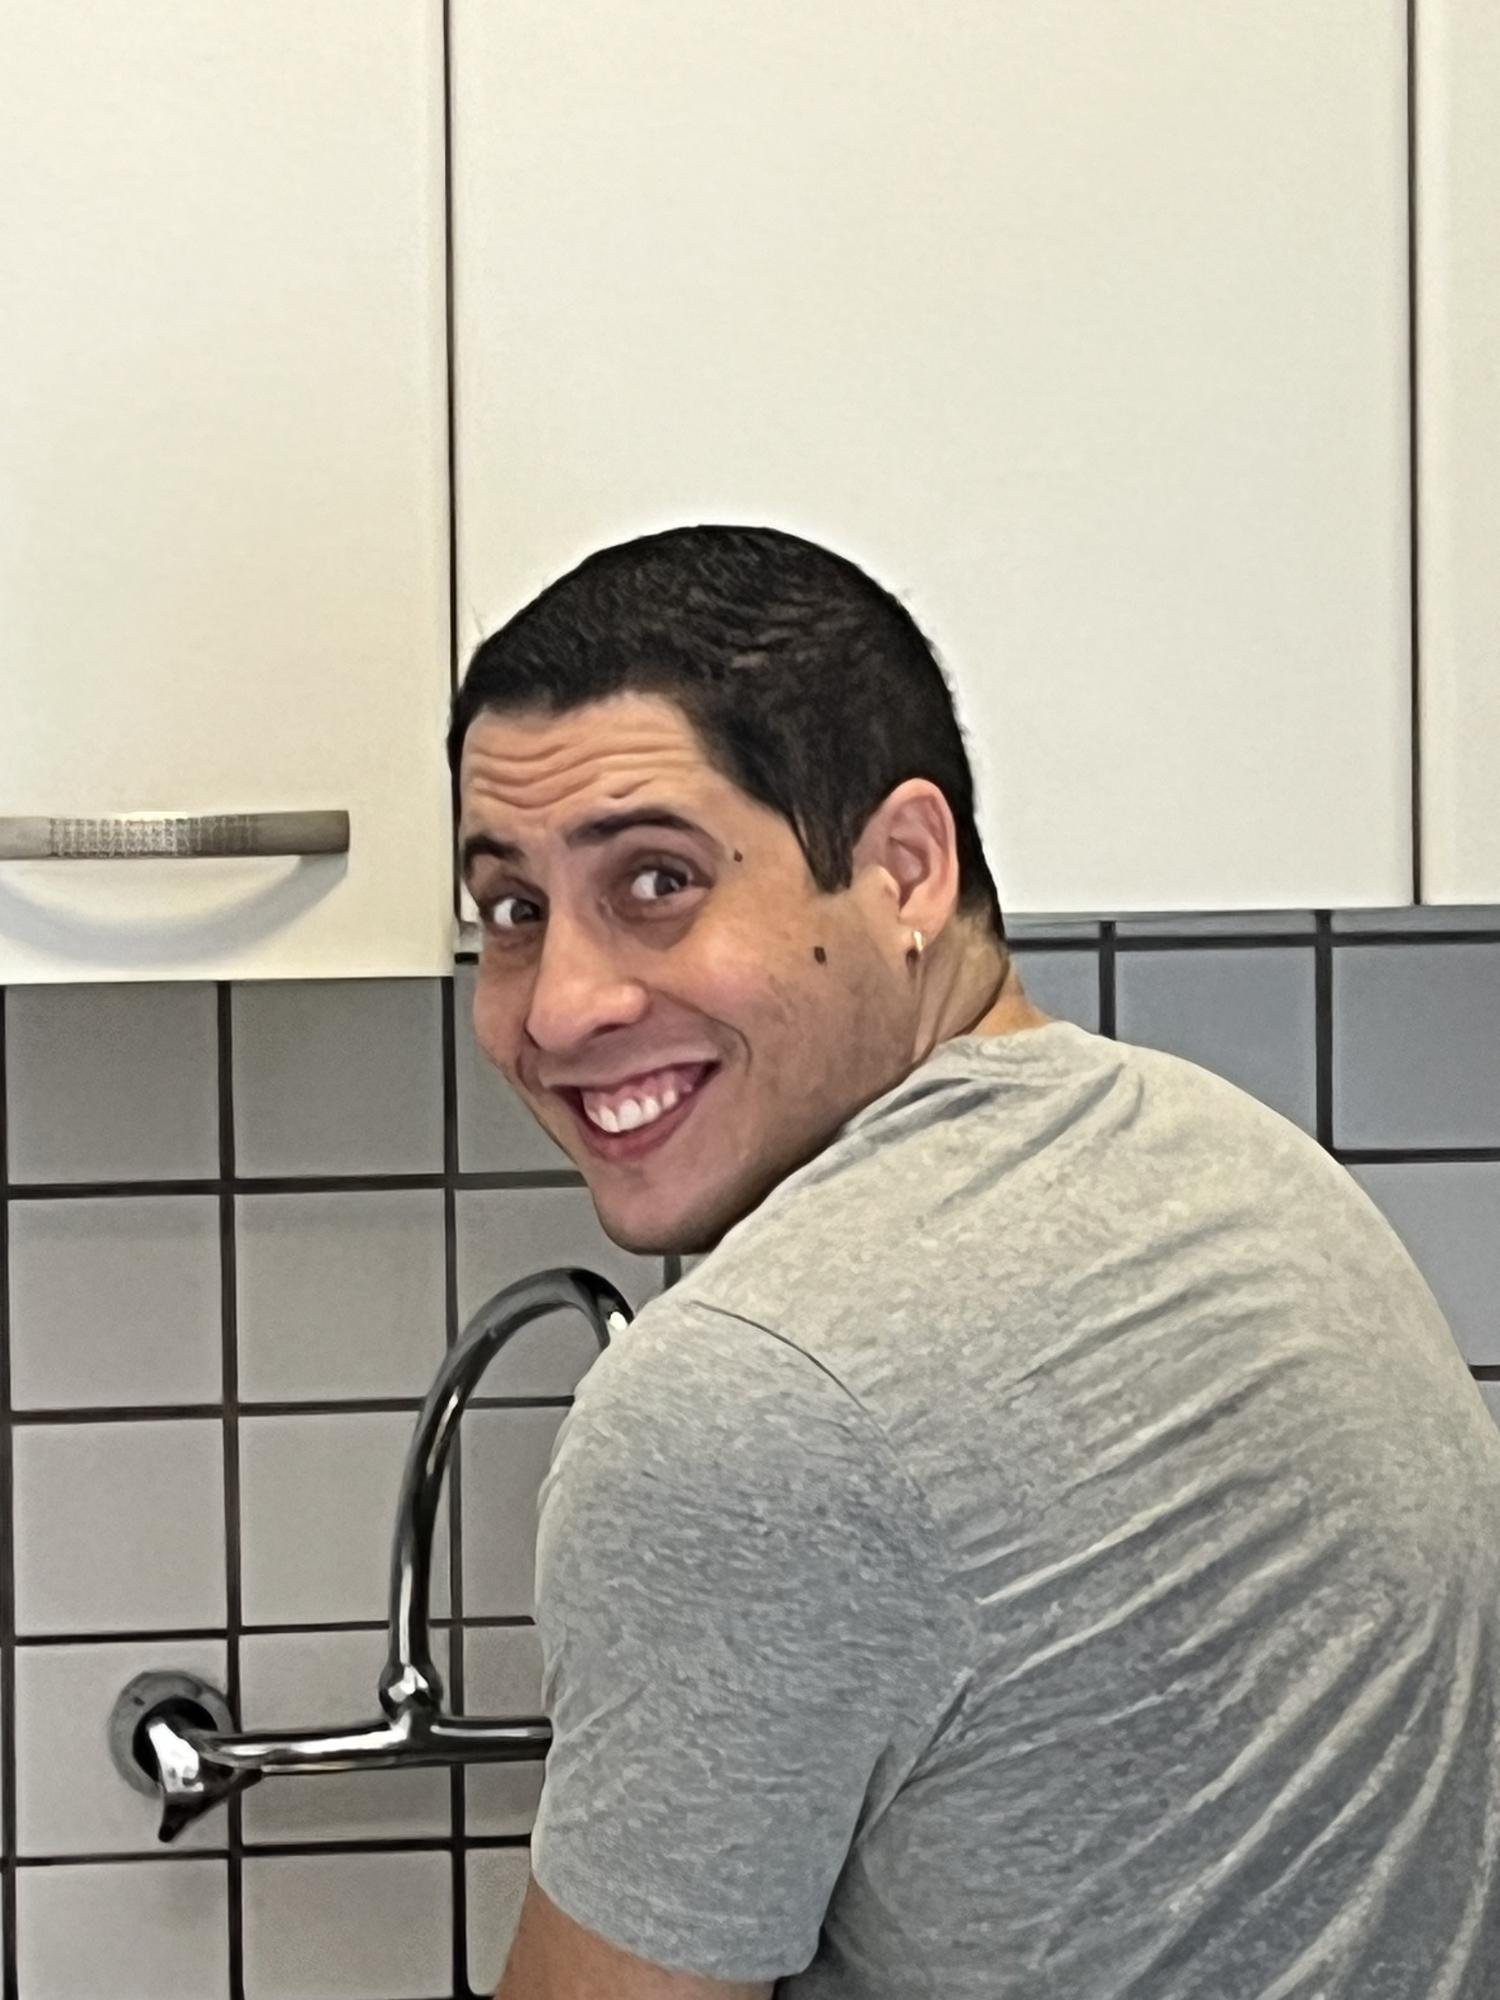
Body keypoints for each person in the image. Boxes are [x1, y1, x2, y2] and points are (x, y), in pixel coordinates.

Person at [449, 524, 1500, 2000]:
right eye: (513, 910)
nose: (559, 1007)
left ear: (904, 870)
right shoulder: (1253, 1172)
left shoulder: (748, 1401)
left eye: (658, 881)